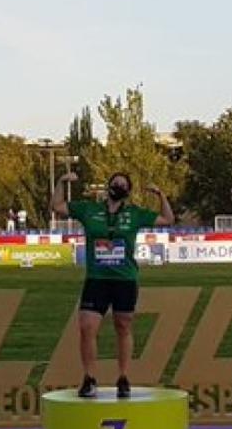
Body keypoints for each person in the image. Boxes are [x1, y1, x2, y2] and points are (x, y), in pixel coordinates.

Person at [52, 171, 175, 398]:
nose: (118, 186)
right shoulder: (89, 210)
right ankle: (89, 378)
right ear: (108, 186)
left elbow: (167, 220)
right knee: (87, 327)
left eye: (123, 184)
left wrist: (161, 195)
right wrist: (61, 181)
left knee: (123, 326)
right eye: (115, 182)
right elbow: (57, 206)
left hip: (125, 279)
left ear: (127, 191)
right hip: (97, 279)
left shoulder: (134, 214)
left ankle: (123, 377)